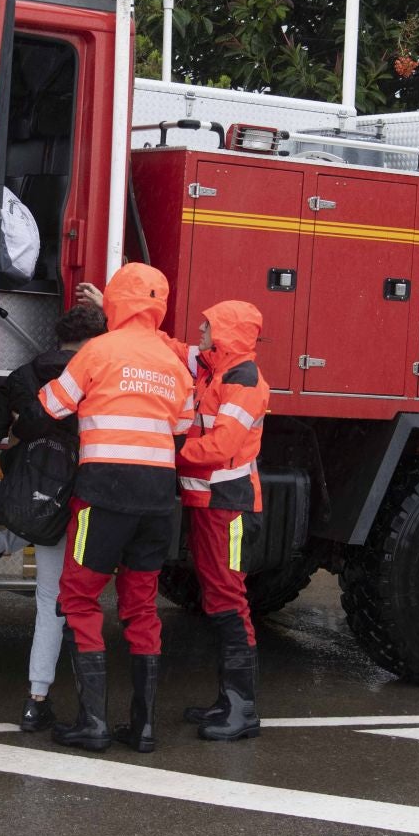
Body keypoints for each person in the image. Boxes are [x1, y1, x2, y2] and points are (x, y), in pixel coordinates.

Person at [38, 264, 194, 753]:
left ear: (117, 301)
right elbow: (184, 423)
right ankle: (143, 727)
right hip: (157, 497)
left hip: (104, 491)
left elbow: (53, 405)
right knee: (141, 605)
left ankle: (93, 724)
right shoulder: (173, 361)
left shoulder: (99, 349)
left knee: (80, 597)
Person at [0, 302, 108, 733]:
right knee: (56, 604)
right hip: (79, 496)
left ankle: (35, 702)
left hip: (33, 493)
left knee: (47, 601)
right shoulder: (98, 376)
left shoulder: (23, 377)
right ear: (93, 342)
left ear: (57, 337)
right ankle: (43, 700)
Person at [175, 301, 271, 741]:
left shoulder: (244, 379)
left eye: (207, 324)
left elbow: (221, 445)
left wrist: (168, 454)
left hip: (227, 507)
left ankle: (242, 710)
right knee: (218, 600)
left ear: (227, 332)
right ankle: (228, 702)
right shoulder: (216, 370)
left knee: (230, 602)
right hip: (212, 506)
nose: (200, 328)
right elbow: (171, 348)